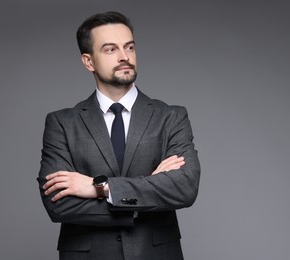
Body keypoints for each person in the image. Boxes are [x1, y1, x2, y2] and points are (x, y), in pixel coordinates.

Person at [37, 11, 200, 260]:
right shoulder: (61, 123)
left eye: (129, 47)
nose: (125, 57)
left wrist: (99, 189)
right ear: (88, 61)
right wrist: (147, 193)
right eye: (111, 49)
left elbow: (184, 187)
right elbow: (58, 204)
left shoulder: (171, 117)